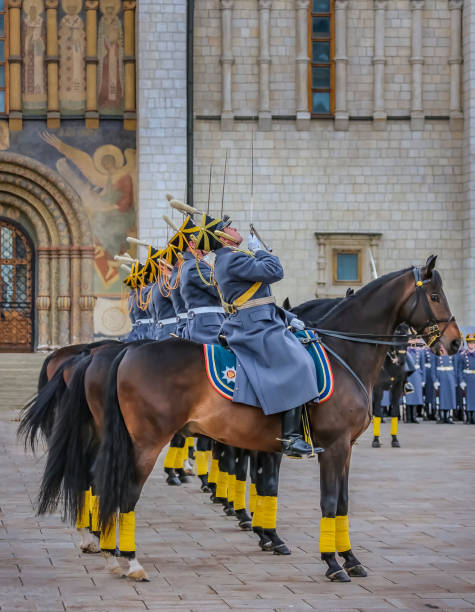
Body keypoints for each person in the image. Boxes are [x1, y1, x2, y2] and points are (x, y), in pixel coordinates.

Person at [212, 225, 323, 458]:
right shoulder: (232, 260)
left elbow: (262, 298)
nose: (234, 227)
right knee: (298, 363)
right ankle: (291, 437)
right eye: (228, 227)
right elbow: (275, 271)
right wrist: (262, 252)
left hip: (261, 320)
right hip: (254, 327)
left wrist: (289, 317)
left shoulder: (233, 259)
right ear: (222, 237)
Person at [433, 345, 458, 424]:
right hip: (441, 377)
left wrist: (455, 380)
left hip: (450, 377)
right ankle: (441, 416)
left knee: (449, 397)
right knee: (441, 398)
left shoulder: (453, 354)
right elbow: (433, 368)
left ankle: (448, 417)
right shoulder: (436, 354)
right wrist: (435, 380)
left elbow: (456, 368)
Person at [405, 339, 425, 423]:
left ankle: (414, 416)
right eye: (412, 340)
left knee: (416, 396)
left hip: (417, 375)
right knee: (408, 396)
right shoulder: (405, 351)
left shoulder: (419, 352)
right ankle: (408, 417)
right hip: (408, 374)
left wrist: (423, 379)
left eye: (415, 340)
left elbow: (422, 366)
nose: (413, 342)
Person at [457, 333, 475, 424]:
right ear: (467, 344)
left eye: (473, 343)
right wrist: (461, 381)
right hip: (467, 379)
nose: (471, 345)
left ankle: (474, 418)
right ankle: (468, 418)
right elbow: (459, 370)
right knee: (468, 399)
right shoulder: (463, 355)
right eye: (469, 343)